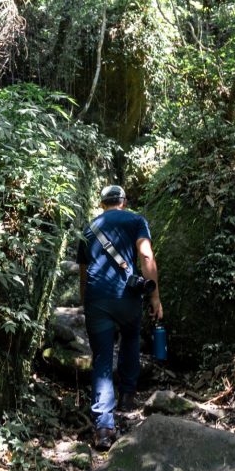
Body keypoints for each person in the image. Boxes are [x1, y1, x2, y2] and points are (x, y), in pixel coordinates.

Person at [77, 184, 163, 450]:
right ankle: (127, 396)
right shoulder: (137, 221)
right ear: (123, 202)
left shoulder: (89, 229)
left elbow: (83, 272)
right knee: (130, 338)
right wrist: (155, 297)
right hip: (127, 297)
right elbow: (146, 255)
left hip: (97, 299)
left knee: (102, 358)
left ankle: (104, 427)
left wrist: (85, 302)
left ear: (102, 204)